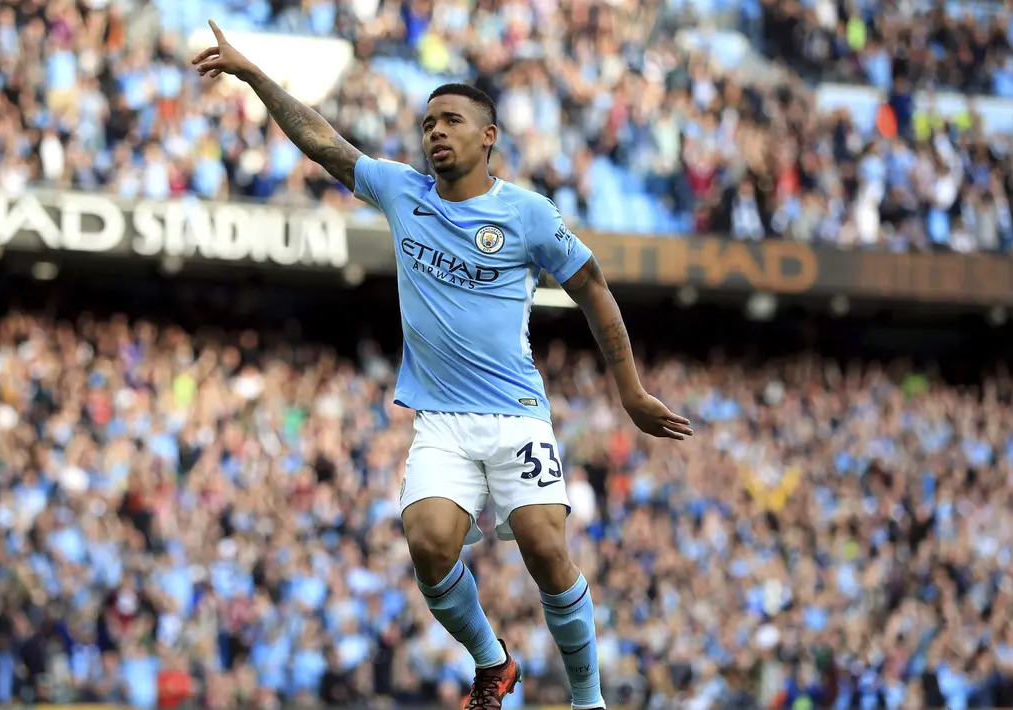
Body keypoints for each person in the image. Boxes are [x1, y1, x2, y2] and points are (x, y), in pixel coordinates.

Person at [191, 21, 693, 710]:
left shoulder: (526, 214)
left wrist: (630, 392)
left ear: (488, 136)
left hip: (515, 414)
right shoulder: (403, 193)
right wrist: (253, 75)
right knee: (427, 543)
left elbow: (593, 290)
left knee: (546, 549)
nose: (434, 132)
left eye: (450, 120)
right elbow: (320, 140)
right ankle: (493, 662)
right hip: (442, 422)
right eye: (427, 122)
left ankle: (587, 700)